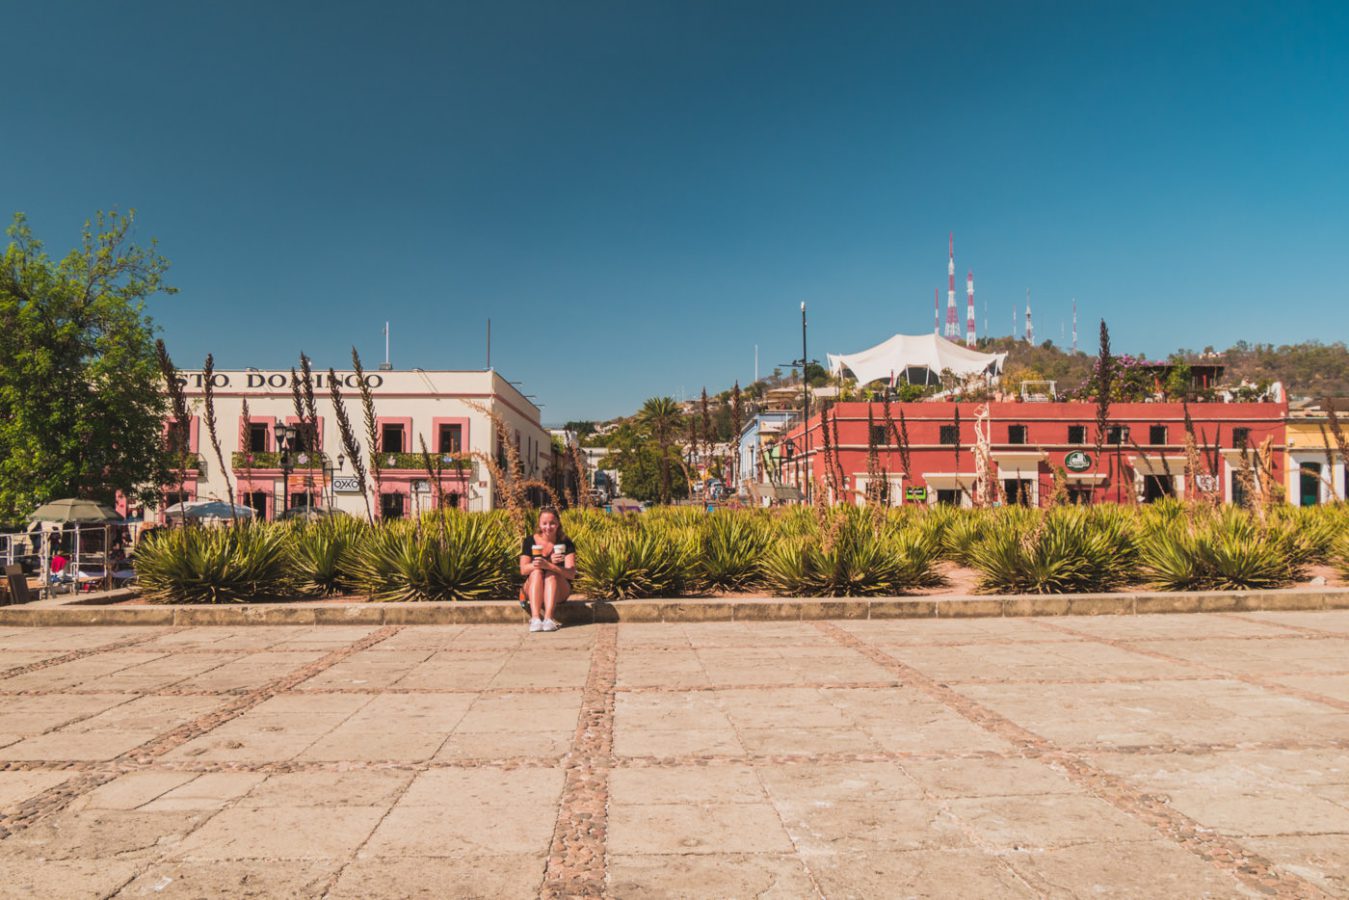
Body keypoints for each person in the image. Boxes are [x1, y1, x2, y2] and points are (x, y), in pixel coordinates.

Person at [518, 508, 576, 633]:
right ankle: (535, 619)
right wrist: (544, 563)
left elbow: (571, 574)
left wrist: (550, 566)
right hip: (534, 586)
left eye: (552, 523)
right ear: (539, 524)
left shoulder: (565, 542)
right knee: (536, 572)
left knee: (551, 574)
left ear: (558, 523)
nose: (548, 527)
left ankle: (548, 619)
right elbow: (523, 570)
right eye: (544, 523)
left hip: (558, 589)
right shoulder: (529, 541)